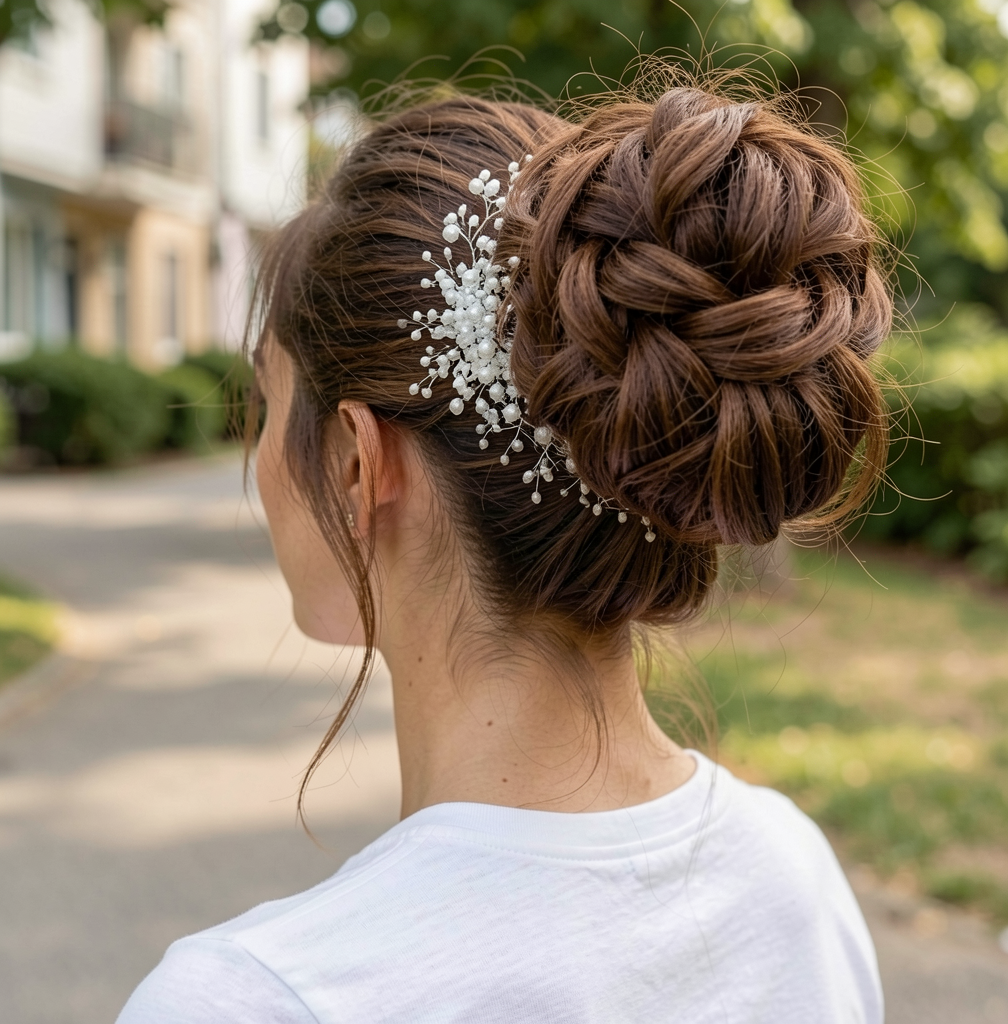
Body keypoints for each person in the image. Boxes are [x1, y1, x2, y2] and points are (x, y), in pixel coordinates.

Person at [118, 83, 891, 1023]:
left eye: (270, 405)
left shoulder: (255, 1000)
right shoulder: (791, 878)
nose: (259, 459)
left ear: (361, 465)